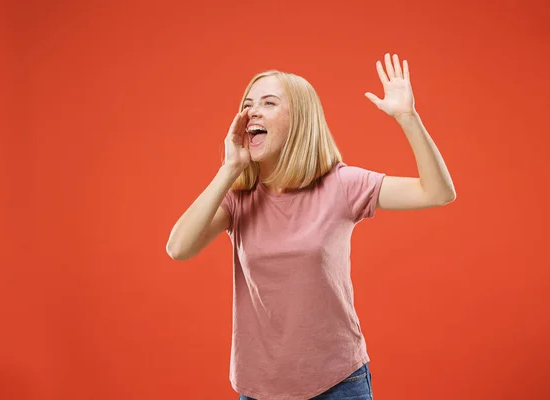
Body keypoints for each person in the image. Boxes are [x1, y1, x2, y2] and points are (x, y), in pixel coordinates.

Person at [166, 53, 456, 400]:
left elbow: (437, 192)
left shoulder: (342, 184)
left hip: (338, 383)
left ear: (300, 119)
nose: (252, 112)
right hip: (259, 389)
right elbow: (178, 248)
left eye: (269, 103)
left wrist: (408, 118)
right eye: (247, 104)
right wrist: (229, 169)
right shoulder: (238, 197)